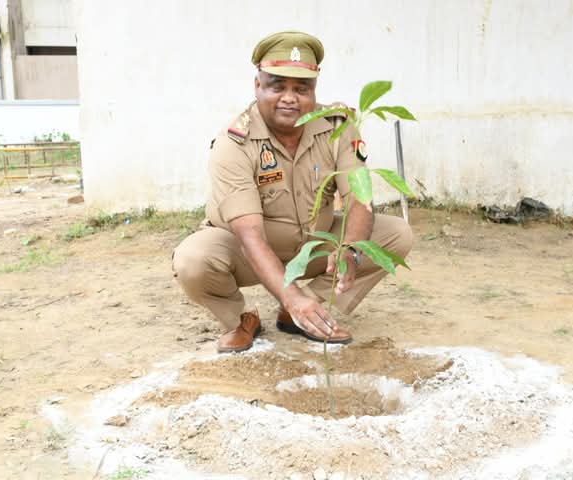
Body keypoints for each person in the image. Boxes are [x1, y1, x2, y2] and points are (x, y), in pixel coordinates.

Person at [172, 31, 413, 353]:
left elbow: (359, 199)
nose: (289, 98)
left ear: (314, 90)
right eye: (277, 86)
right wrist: (290, 293)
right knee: (193, 259)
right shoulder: (234, 143)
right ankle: (240, 319)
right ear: (257, 86)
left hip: (314, 245)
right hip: (247, 251)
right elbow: (249, 235)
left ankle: (306, 310)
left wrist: (350, 248)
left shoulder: (338, 127)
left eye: (301, 89)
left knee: (396, 235)